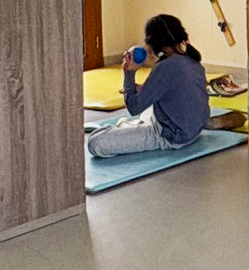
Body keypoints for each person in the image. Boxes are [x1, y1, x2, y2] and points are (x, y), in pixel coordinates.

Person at [89, 13, 211, 160]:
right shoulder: (194, 62)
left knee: (95, 142)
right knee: (148, 111)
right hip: (193, 132)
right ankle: (129, 129)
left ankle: (126, 129)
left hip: (169, 137)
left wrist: (129, 72)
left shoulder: (164, 67)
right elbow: (178, 92)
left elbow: (133, 108)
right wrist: (146, 90)